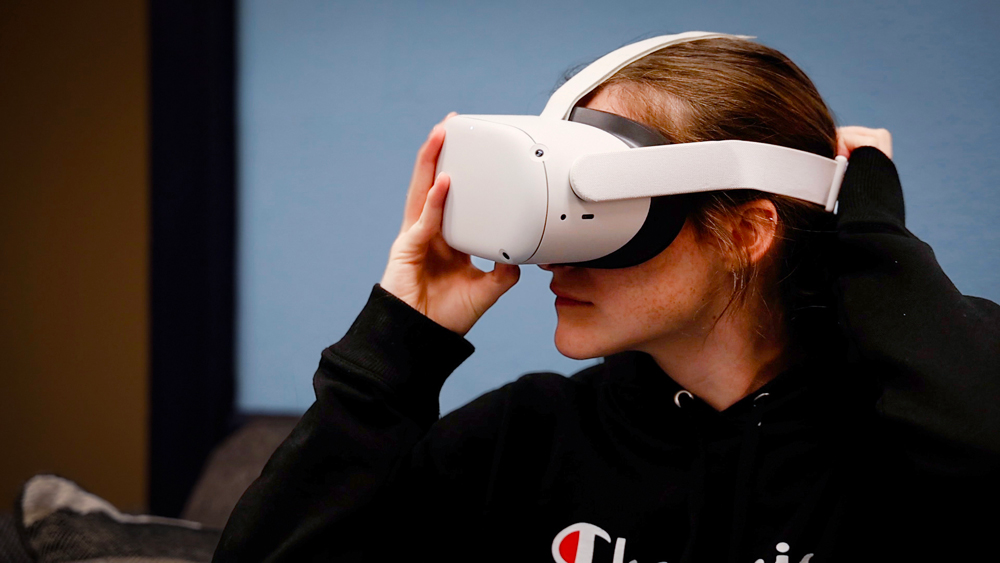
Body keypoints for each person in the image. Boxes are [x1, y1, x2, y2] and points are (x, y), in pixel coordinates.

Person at [213, 37, 999, 563]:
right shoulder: (525, 443)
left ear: (750, 229)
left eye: (601, 216)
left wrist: (870, 236)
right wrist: (398, 340)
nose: (556, 249)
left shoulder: (919, 426)